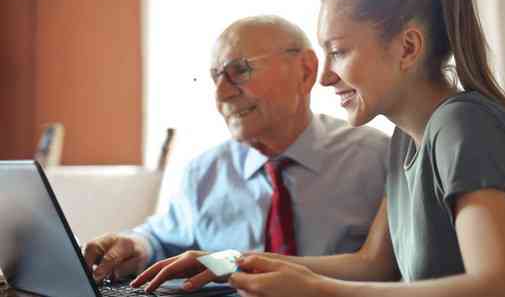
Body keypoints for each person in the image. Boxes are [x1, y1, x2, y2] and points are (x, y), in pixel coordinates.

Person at [132, 0, 505, 296]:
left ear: (407, 48)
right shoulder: (406, 138)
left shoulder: (462, 126)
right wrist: (228, 262)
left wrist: (319, 292)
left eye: (339, 51)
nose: (324, 76)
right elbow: (373, 264)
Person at [83, 15, 389, 287]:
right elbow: (162, 239)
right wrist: (136, 245)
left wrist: (226, 263)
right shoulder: (204, 171)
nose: (221, 93)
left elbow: (386, 269)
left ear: (306, 71)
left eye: (239, 71)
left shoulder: (376, 158)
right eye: (216, 77)